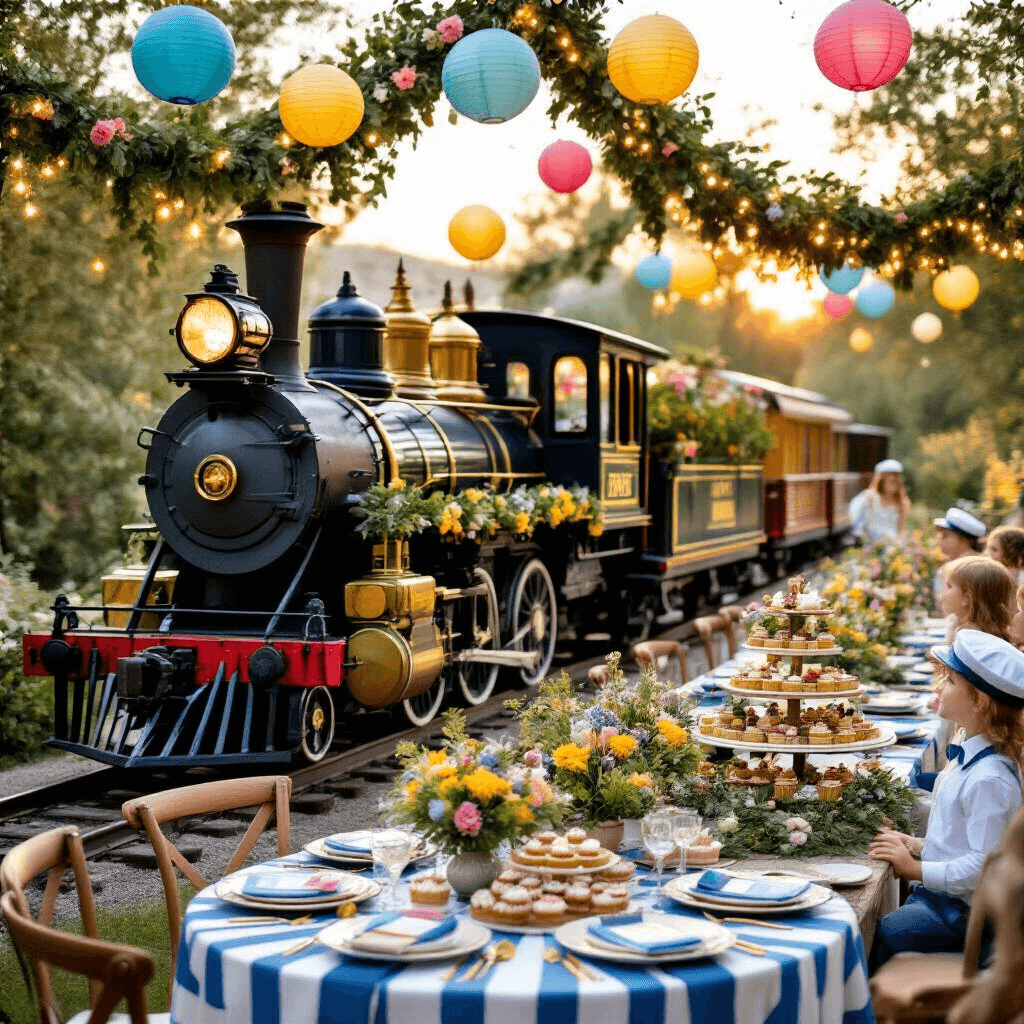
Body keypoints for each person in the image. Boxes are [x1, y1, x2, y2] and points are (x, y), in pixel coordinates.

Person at [868, 629, 1024, 970]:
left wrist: (915, 869)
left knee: (886, 933)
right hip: (946, 900)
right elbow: (960, 839)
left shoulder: (990, 778)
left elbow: (983, 865)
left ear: (980, 702)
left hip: (966, 916)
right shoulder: (968, 753)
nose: (938, 687)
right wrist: (916, 845)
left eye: (950, 681)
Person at [937, 555, 1013, 643]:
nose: (943, 594)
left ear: (966, 599)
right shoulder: (967, 629)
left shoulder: (968, 637)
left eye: (949, 586)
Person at [933, 507, 988, 606]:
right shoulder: (947, 565)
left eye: (945, 536)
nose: (940, 540)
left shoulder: (978, 568)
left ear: (963, 539)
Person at [848, 459, 910, 544]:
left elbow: (900, 529)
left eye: (896, 480)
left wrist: (902, 542)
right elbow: (857, 527)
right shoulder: (868, 498)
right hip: (872, 546)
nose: (895, 482)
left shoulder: (899, 503)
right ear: (881, 480)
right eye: (891, 481)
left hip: (893, 546)